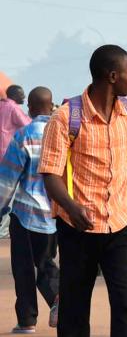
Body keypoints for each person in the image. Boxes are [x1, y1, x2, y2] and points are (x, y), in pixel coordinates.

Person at [38, 44, 127, 337]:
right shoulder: (65, 117)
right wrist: (72, 208)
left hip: (121, 223)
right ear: (112, 76)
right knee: (74, 307)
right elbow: (50, 173)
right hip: (77, 227)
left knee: (124, 304)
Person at [0, 87, 59, 334]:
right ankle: (57, 297)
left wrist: (1, 207)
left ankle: (27, 320)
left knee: (23, 268)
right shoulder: (63, 136)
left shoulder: (24, 135)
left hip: (25, 215)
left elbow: (8, 179)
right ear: (52, 105)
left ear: (31, 109)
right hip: (54, 216)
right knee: (46, 262)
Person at [0, 85, 31, 241]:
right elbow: (28, 125)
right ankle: (3, 230)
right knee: (7, 194)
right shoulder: (13, 108)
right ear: (13, 95)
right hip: (7, 157)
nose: (24, 97)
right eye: (22, 94)